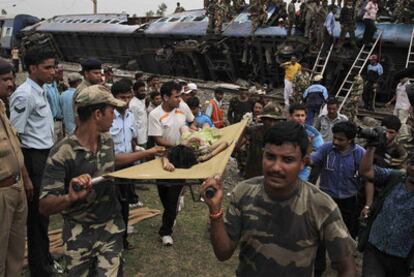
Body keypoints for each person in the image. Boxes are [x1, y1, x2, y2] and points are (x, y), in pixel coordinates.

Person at [201, 121, 357, 276]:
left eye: (287, 160)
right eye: (270, 157)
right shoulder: (243, 192)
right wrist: (215, 211)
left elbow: (347, 267)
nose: (276, 167)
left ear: (303, 163)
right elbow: (223, 253)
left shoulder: (321, 205)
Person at [39, 85, 126, 276]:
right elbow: (45, 206)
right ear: (97, 114)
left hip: (111, 227)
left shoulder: (107, 141)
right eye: (112, 111)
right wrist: (69, 197)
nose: (115, 116)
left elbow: (113, 163)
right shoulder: (62, 153)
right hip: (78, 235)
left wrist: (150, 156)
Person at [9, 50, 58, 276]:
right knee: (37, 217)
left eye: (52, 67)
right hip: (32, 158)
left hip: (45, 154)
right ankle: (40, 269)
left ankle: (46, 258)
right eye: (47, 67)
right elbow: (14, 137)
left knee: (45, 213)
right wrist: (26, 175)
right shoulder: (25, 95)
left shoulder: (43, 90)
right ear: (32, 68)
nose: (52, 71)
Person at [110, 81, 165, 250]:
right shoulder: (108, 117)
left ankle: (123, 239)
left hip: (128, 167)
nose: (125, 101)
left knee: (125, 204)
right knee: (113, 205)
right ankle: (112, 241)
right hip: (112, 168)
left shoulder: (130, 115)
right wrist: (146, 152)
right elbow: (110, 156)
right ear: (113, 98)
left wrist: (136, 147)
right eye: (121, 98)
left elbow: (132, 136)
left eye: (128, 97)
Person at [310, 121, 367, 276]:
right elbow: (312, 159)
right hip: (326, 200)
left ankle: (342, 265)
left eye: (340, 139)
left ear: (350, 140)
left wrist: (367, 204)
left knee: (344, 237)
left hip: (349, 201)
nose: (336, 141)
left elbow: (368, 177)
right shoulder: (327, 149)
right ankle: (318, 269)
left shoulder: (360, 153)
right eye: (334, 138)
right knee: (320, 236)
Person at [358, 144, 414, 276]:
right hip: (375, 248)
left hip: (402, 258)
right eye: (412, 163)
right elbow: (366, 171)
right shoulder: (395, 177)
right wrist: (372, 147)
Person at [0, 59, 32, 277]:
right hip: (1, 192)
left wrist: (25, 178)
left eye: (11, 78)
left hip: (17, 187)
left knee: (16, 251)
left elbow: (14, 146)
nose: (11, 84)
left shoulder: (2, 106)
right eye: (5, 79)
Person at [148, 81, 188, 246]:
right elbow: (158, 139)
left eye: (180, 96)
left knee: (172, 196)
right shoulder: (155, 115)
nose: (179, 99)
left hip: (180, 160)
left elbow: (187, 125)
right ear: (165, 97)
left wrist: (189, 134)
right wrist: (177, 145)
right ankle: (171, 214)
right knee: (164, 194)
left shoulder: (182, 108)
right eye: (176, 96)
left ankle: (166, 232)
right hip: (162, 160)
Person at [244, 104, 285, 179]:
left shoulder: (284, 136)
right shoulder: (254, 131)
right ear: (263, 119)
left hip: (272, 175)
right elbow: (238, 146)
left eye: (276, 121)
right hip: (253, 172)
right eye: (269, 120)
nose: (272, 124)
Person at [288, 103, 324, 181]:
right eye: (297, 115)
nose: (300, 118)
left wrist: (309, 157)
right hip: (286, 167)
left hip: (303, 171)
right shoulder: (283, 130)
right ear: (290, 116)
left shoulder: (313, 133)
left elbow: (320, 150)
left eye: (302, 115)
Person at [386, 77, 411, 141]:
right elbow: (396, 95)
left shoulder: (410, 86)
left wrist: (411, 107)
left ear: (406, 78)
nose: (400, 79)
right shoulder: (399, 84)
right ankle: (398, 136)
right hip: (397, 105)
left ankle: (405, 136)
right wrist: (390, 101)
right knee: (394, 121)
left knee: (402, 122)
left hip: (405, 106)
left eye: (402, 78)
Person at [44, 64, 64, 142]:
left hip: (59, 122)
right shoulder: (45, 88)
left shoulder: (55, 85)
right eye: (59, 73)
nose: (61, 75)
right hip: (51, 123)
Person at [130, 80, 148, 148]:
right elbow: (134, 124)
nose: (144, 93)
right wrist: (136, 142)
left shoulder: (141, 100)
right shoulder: (133, 105)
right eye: (141, 91)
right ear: (134, 92)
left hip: (144, 136)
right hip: (139, 139)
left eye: (145, 90)